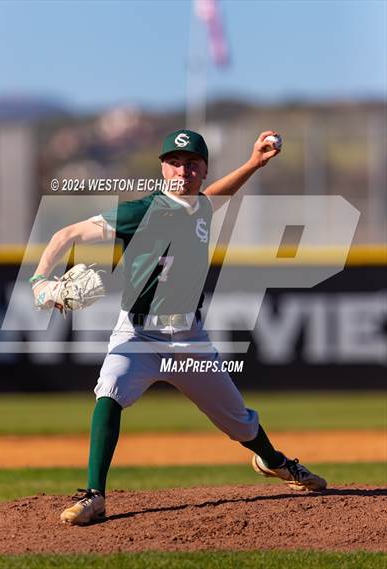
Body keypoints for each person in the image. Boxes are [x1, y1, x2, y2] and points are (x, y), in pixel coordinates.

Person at [30, 129, 326, 525]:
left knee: (238, 421)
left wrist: (254, 163)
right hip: (137, 333)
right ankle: (94, 495)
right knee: (110, 391)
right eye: (174, 163)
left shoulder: (199, 208)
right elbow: (66, 234)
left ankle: (275, 462)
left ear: (203, 170)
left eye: (191, 164)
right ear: (162, 169)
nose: (182, 171)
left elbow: (216, 196)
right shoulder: (141, 212)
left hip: (189, 340)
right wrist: (39, 279)